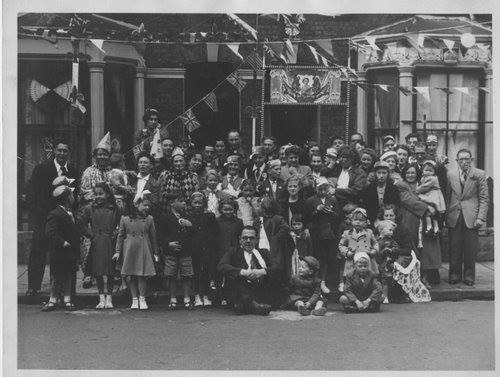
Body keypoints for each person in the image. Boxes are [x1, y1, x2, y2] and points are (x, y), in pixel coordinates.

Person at [25, 140, 79, 296]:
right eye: (60, 150)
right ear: (54, 151)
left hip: (65, 219)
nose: (62, 153)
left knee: (66, 252)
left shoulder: (73, 171)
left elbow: (75, 196)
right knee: (38, 251)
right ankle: (33, 287)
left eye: (65, 151)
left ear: (69, 153)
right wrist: (37, 212)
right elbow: (31, 191)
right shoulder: (42, 168)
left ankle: (66, 290)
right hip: (44, 218)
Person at [217, 226, 286, 315]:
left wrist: (261, 272)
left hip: (260, 290)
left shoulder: (263, 252)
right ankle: (254, 306)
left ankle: (295, 303)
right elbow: (221, 266)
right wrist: (244, 272)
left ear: (256, 240)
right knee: (236, 278)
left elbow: (278, 267)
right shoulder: (233, 252)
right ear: (240, 240)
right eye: (245, 238)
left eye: (252, 238)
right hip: (241, 290)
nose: (248, 241)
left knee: (275, 276)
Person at [446, 149, 489, 286]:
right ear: (457, 161)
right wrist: (446, 217)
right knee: (454, 247)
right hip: (454, 214)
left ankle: (469, 277)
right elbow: (447, 196)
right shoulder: (450, 174)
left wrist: (480, 218)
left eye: (467, 159)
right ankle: (454, 275)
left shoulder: (479, 174)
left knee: (470, 248)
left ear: (471, 159)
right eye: (461, 159)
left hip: (472, 216)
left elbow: (484, 198)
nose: (464, 162)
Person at [396, 164, 442, 287]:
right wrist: (427, 206)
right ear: (404, 174)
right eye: (408, 173)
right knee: (412, 248)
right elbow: (408, 201)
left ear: (417, 173)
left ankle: (425, 276)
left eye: (413, 172)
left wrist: (431, 204)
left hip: (425, 221)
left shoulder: (422, 183)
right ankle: (412, 276)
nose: (410, 175)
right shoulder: (401, 185)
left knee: (427, 249)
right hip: (410, 220)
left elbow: (434, 195)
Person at [79, 183, 121, 309]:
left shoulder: (115, 208)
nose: (98, 197)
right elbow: (81, 222)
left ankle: (109, 296)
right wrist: (90, 234)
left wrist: (116, 233)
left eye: (101, 193)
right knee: (98, 271)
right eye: (96, 194)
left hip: (110, 242)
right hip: (97, 241)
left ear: (108, 194)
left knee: (110, 271)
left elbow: (122, 223)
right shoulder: (90, 208)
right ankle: (101, 297)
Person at [113, 196, 159, 310]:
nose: (147, 208)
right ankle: (134, 299)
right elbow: (120, 236)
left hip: (143, 248)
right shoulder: (125, 218)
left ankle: (142, 298)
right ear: (136, 205)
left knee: (142, 275)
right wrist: (118, 251)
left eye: (149, 205)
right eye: (144, 205)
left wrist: (156, 252)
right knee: (131, 275)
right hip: (129, 248)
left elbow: (153, 237)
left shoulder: (149, 219)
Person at [42, 185, 80, 311]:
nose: (73, 197)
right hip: (59, 251)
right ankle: (52, 300)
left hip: (70, 251)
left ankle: (67, 299)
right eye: (71, 195)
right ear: (67, 198)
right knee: (57, 276)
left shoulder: (71, 212)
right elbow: (50, 233)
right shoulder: (55, 214)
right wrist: (63, 242)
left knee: (69, 275)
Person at [158, 191, 195, 309]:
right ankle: (172, 298)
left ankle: (187, 298)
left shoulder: (187, 216)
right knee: (171, 275)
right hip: (171, 252)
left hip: (185, 251)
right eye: (181, 201)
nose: (184, 203)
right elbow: (160, 235)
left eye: (184, 201)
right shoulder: (164, 217)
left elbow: (194, 234)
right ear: (172, 203)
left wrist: (190, 226)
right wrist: (168, 244)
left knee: (186, 275)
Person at [304, 182, 340, 294]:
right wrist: (316, 211)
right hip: (316, 233)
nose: (323, 192)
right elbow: (306, 218)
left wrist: (332, 212)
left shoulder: (333, 200)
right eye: (320, 189)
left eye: (325, 189)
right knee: (317, 257)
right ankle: (315, 282)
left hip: (329, 233)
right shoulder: (310, 201)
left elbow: (338, 217)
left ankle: (324, 281)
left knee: (327, 257)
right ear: (316, 188)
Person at [188, 192, 218, 307]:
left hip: (207, 248)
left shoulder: (209, 216)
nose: (197, 205)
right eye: (195, 203)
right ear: (191, 204)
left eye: (200, 203)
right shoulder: (188, 216)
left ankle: (205, 295)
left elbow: (215, 232)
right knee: (195, 272)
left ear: (204, 204)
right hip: (194, 248)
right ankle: (196, 296)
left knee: (206, 271)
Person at [215, 198, 244, 305]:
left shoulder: (238, 222)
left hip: (233, 252)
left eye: (230, 209)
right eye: (225, 210)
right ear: (221, 210)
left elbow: (241, 236)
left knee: (231, 275)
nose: (228, 212)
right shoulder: (217, 221)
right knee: (219, 274)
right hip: (220, 251)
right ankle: (218, 297)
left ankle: (230, 297)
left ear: (234, 209)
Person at [339, 207, 379, 278]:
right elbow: (341, 245)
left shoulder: (369, 232)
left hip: (367, 259)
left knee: (368, 278)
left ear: (365, 222)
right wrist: (347, 252)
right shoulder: (347, 233)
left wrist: (374, 250)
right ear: (351, 221)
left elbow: (375, 243)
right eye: (355, 220)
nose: (358, 222)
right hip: (352, 260)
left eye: (361, 220)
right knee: (352, 278)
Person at [416, 160, 446, 238]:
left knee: (431, 210)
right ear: (422, 171)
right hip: (429, 194)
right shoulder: (424, 177)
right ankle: (434, 228)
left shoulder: (432, 178)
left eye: (430, 171)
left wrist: (417, 190)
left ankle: (432, 227)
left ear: (434, 172)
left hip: (433, 195)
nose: (428, 172)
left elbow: (425, 187)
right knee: (431, 212)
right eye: (426, 170)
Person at [80, 133, 112, 205]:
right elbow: (85, 191)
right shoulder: (89, 171)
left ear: (109, 156)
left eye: (105, 154)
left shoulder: (113, 172)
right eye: (100, 154)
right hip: (93, 207)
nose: (102, 157)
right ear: (95, 156)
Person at [375, 219, 399, 303]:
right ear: (381, 230)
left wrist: (392, 250)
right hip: (378, 263)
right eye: (390, 230)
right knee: (377, 281)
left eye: (392, 231)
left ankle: (385, 296)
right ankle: (377, 296)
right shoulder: (376, 240)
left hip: (386, 264)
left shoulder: (391, 241)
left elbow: (396, 249)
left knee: (385, 281)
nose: (392, 232)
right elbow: (375, 252)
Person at [285, 214, 313, 282]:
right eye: (294, 224)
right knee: (293, 273)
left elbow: (310, 249)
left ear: (303, 224)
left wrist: (308, 260)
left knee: (302, 275)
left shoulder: (306, 236)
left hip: (303, 259)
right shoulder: (290, 236)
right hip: (292, 259)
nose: (296, 226)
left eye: (298, 224)